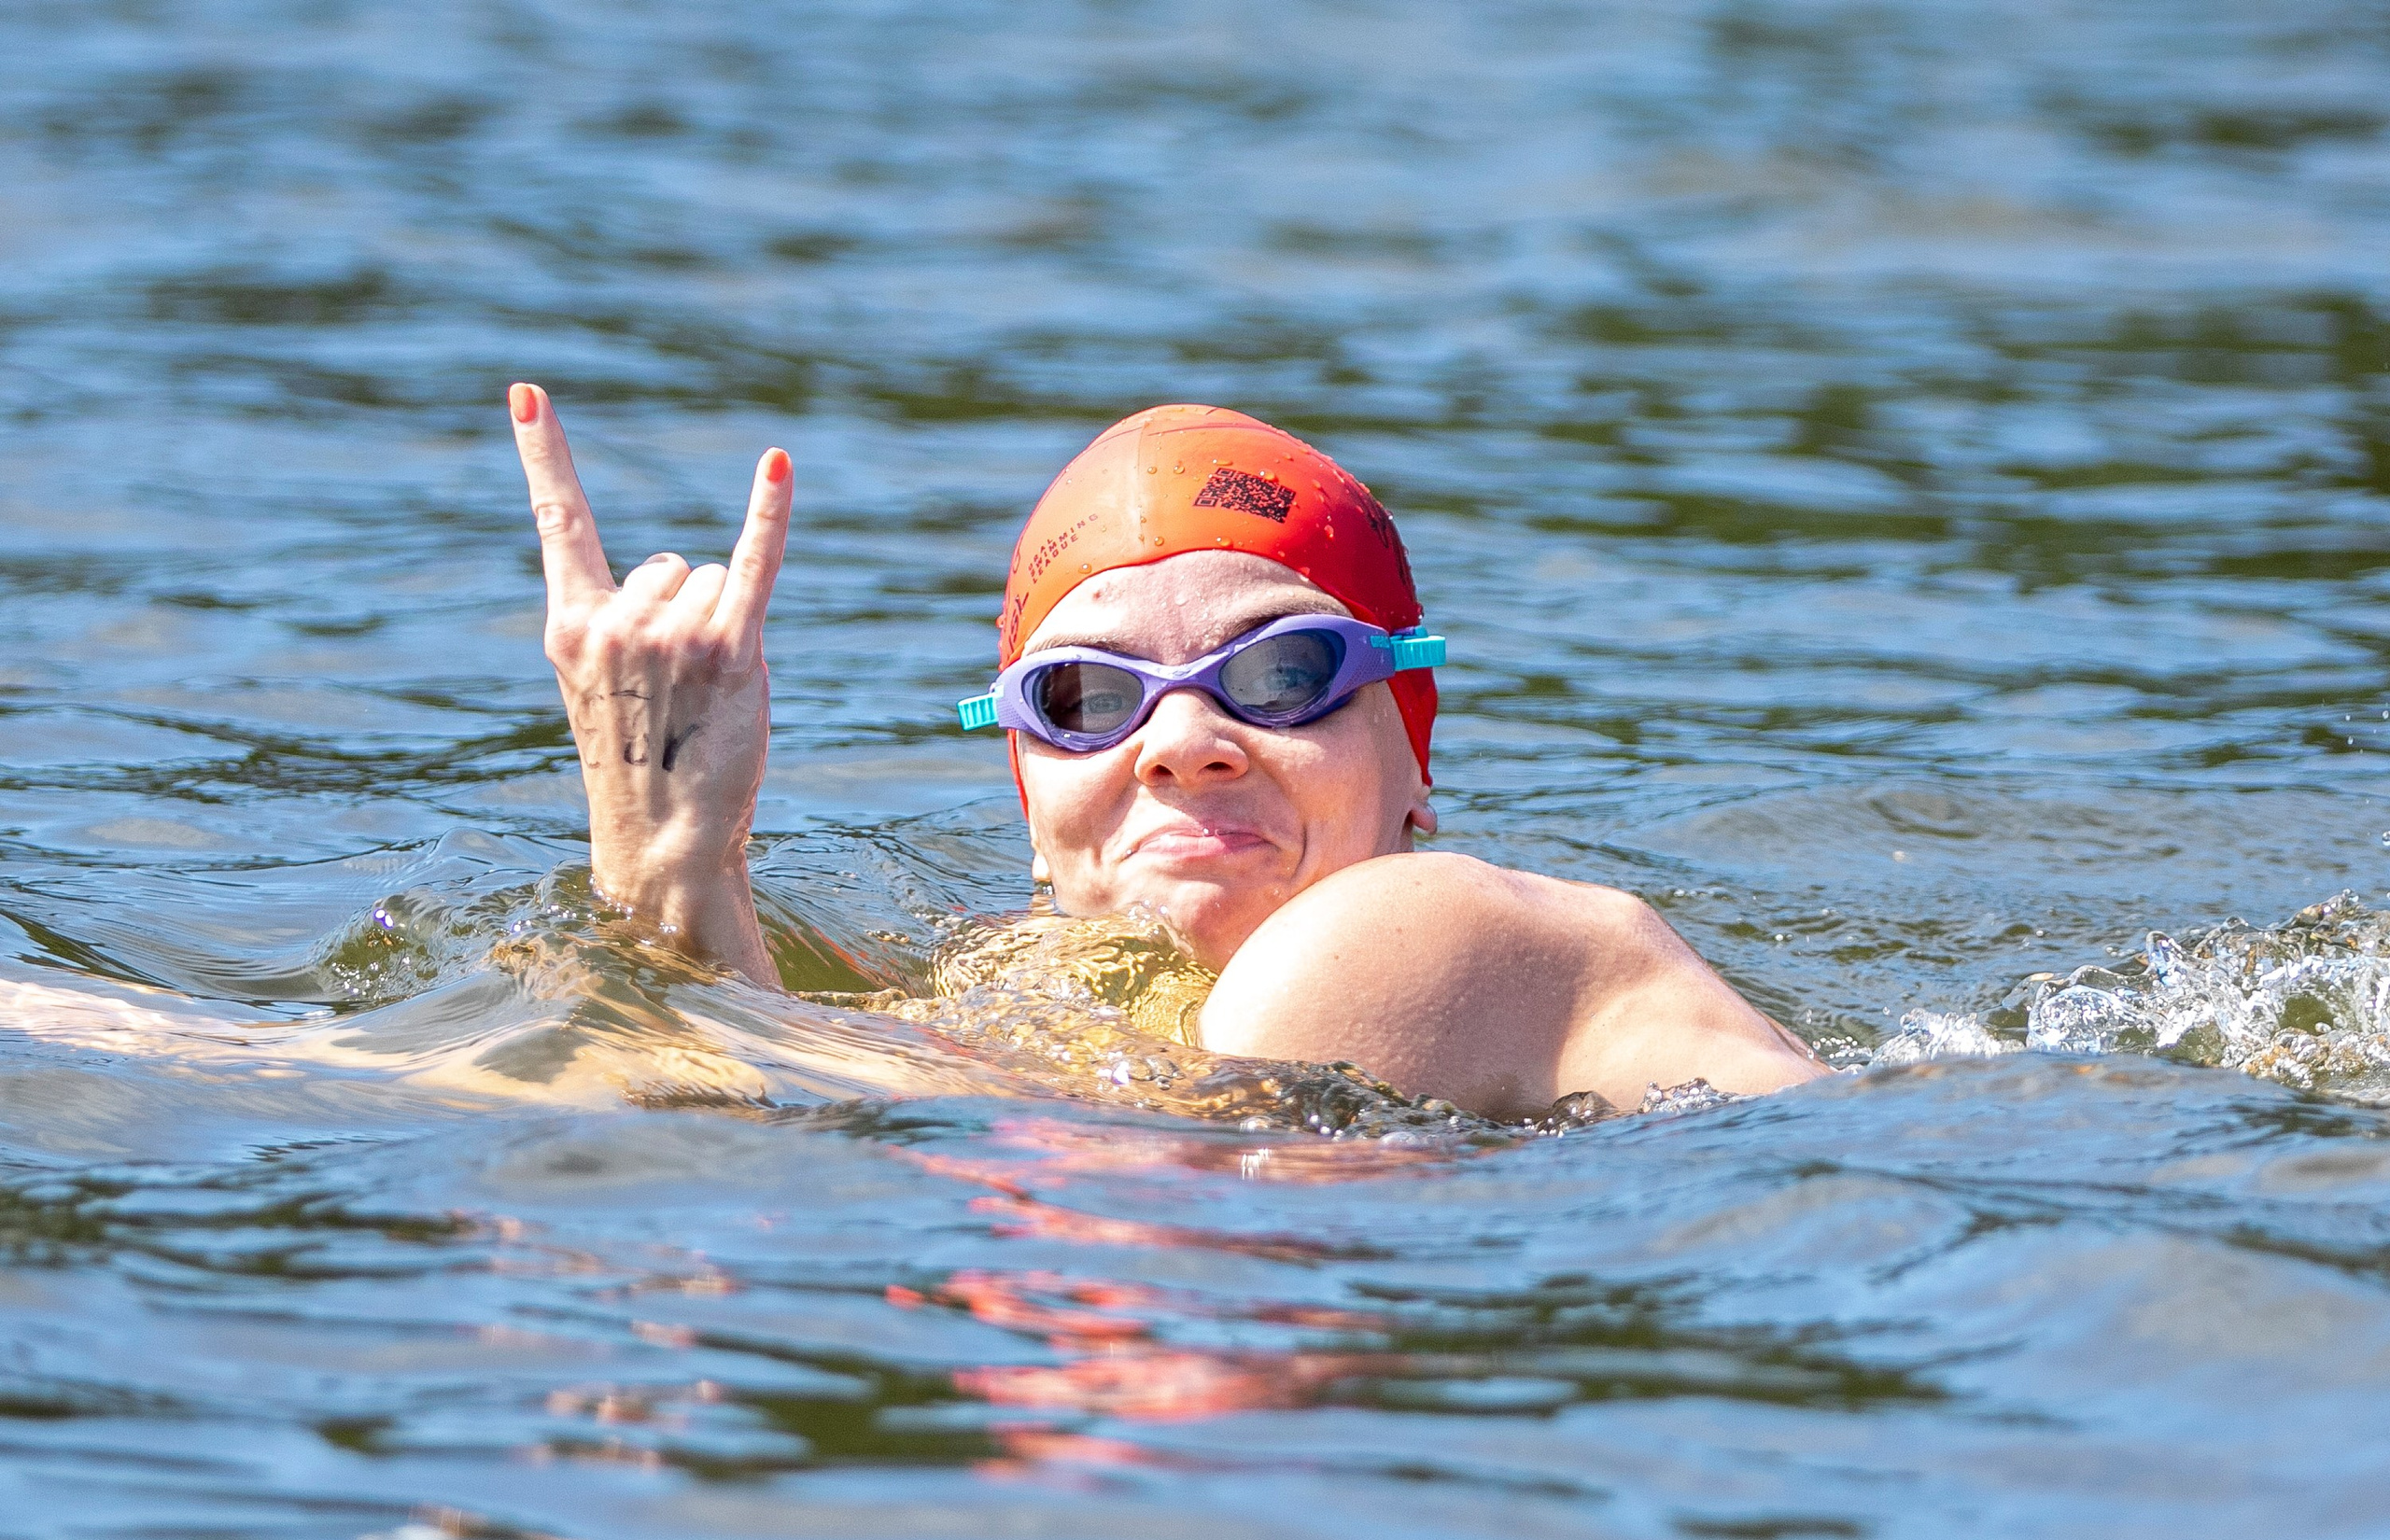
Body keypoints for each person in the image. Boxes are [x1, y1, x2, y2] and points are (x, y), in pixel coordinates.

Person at [508, 385, 1827, 1117]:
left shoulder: (1413, 927)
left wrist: (670, 871)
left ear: (1414, 755)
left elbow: (1146, 1187)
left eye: (1283, 675)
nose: (1183, 743)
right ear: (1030, 796)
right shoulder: (1015, 987)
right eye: (1086, 699)